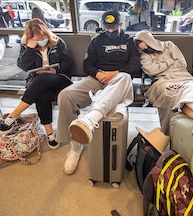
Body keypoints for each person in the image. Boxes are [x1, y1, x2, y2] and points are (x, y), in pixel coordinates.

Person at [56, 11, 142, 175]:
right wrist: (98, 74)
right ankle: (75, 147)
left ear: (121, 25)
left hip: (119, 80)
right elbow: (87, 64)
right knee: (65, 96)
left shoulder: (129, 41)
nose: (110, 32)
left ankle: (90, 120)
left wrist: (115, 73)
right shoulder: (96, 41)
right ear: (103, 26)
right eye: (107, 28)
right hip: (97, 79)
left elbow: (135, 66)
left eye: (113, 28)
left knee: (125, 77)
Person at [0, 18, 73, 150]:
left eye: (42, 36)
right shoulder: (27, 46)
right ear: (30, 38)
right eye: (36, 38)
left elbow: (68, 63)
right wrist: (29, 49)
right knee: (43, 96)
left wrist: (56, 70)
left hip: (60, 79)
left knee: (44, 79)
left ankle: (12, 116)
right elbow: (23, 65)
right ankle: (50, 134)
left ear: (46, 32)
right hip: (38, 81)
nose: (40, 39)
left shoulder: (57, 42)